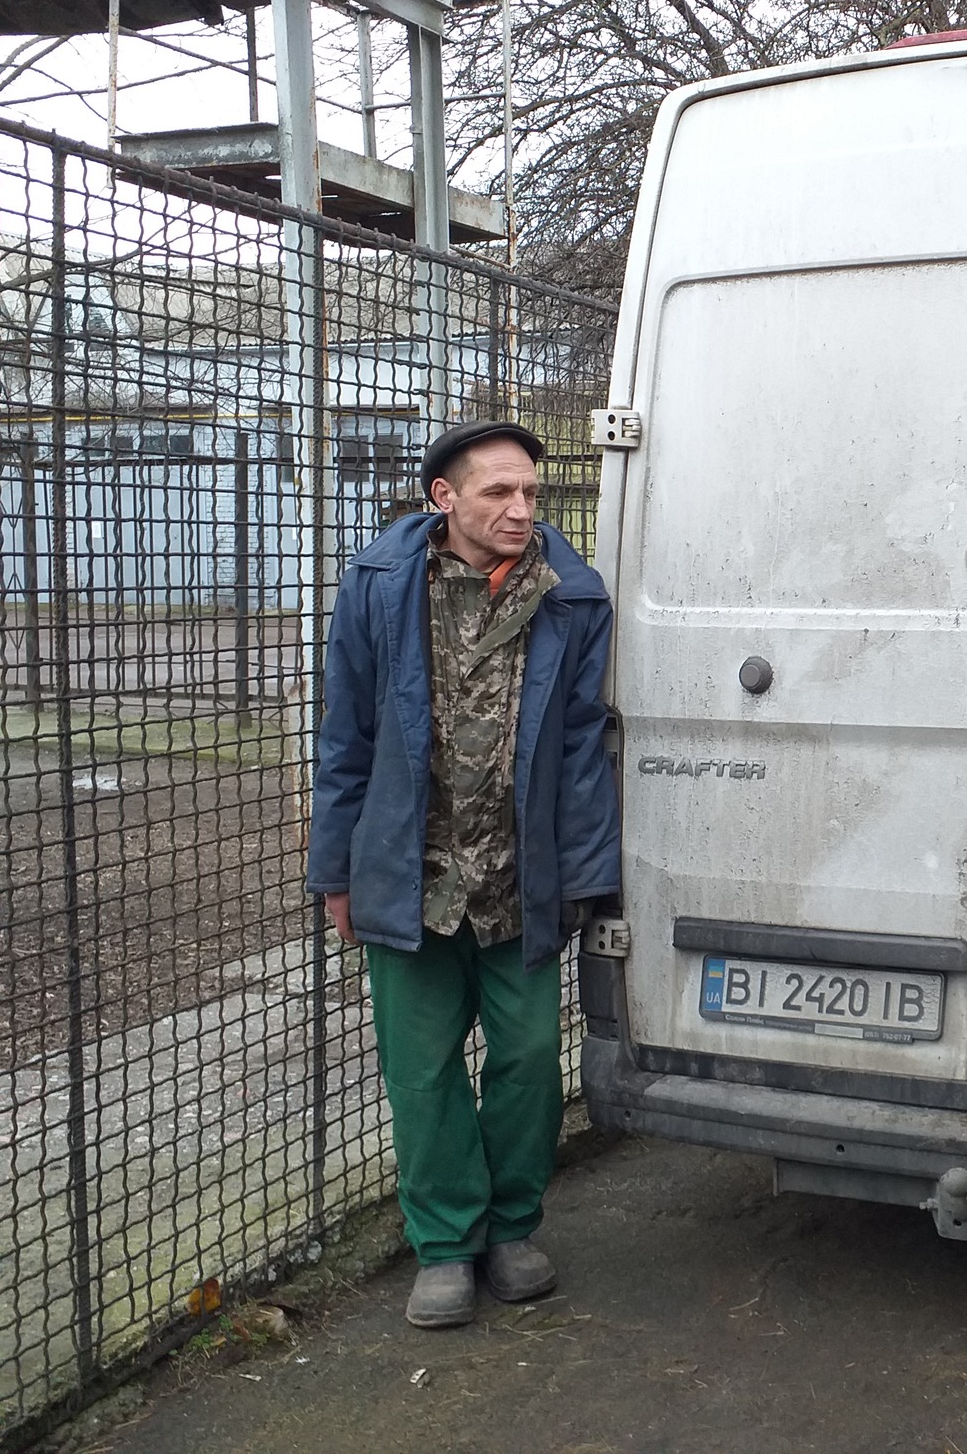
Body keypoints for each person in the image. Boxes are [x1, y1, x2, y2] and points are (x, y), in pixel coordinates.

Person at [308, 419, 620, 1330]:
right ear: (444, 498)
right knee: (421, 1071)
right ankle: (444, 1245)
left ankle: (512, 1229)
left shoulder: (573, 596)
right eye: (499, 494)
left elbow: (579, 748)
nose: (522, 510)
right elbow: (346, 739)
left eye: (531, 493)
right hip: (409, 875)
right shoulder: (378, 587)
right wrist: (337, 873)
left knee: (526, 1058)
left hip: (522, 880)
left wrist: (584, 876)